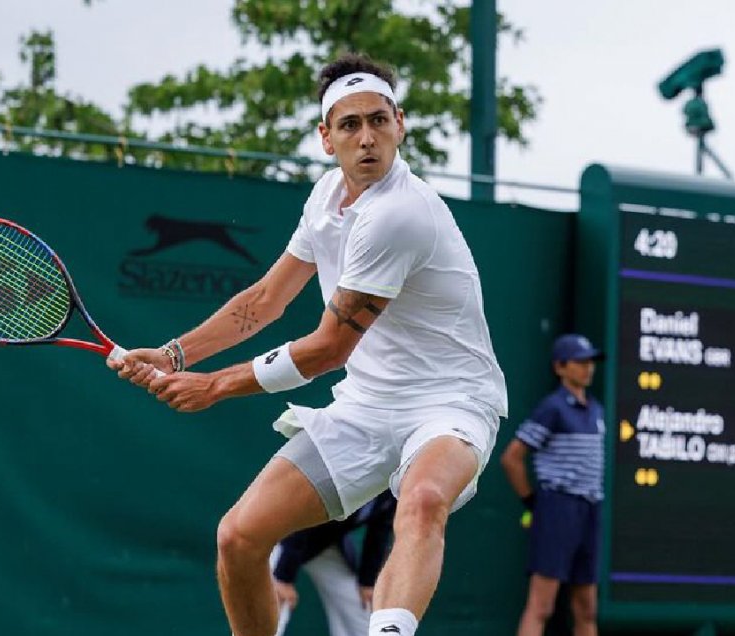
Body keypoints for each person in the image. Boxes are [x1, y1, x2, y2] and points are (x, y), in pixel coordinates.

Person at [108, 51, 507, 636]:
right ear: (326, 138)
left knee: (422, 501)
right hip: (367, 407)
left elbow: (327, 350)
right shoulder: (325, 200)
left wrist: (215, 385)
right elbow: (267, 299)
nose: (367, 137)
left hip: (452, 403)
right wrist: (176, 354)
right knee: (239, 539)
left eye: (378, 120)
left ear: (400, 124)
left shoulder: (400, 214)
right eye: (350, 125)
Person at [501, 334, 606, 636]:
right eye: (580, 362)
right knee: (541, 606)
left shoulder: (597, 410)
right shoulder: (552, 407)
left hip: (590, 508)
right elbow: (512, 458)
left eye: (590, 362)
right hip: (557, 508)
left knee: (587, 608)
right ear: (560, 367)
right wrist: (532, 502)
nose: (588, 368)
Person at [271, 492, 396, 636]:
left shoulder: (391, 488)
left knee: (360, 603)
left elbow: (380, 530)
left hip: (326, 545)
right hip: (283, 537)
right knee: (276, 601)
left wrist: (367, 582)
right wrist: (283, 576)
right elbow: (300, 515)